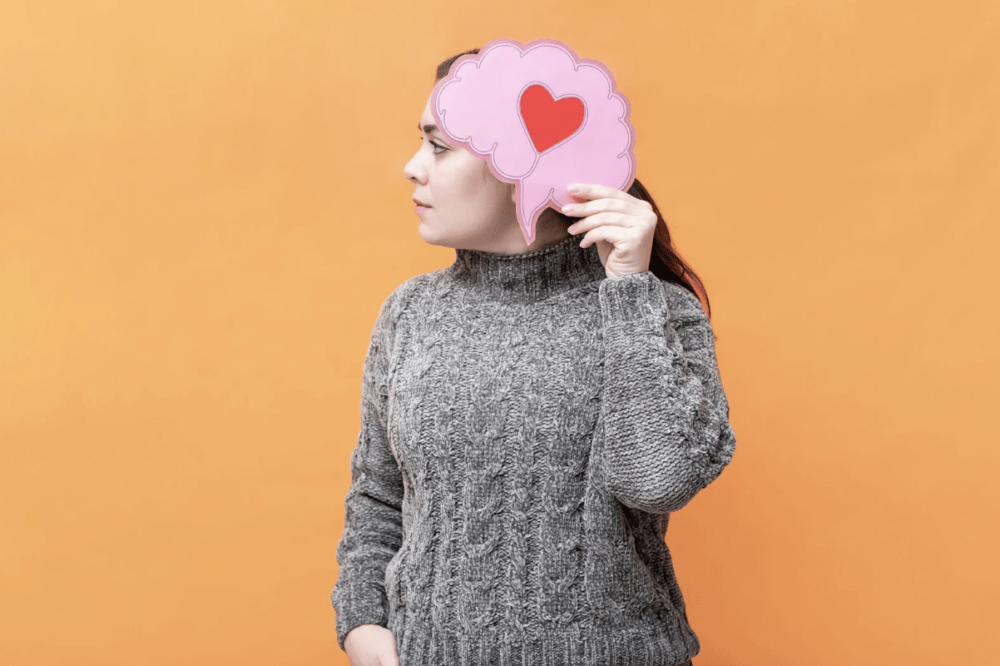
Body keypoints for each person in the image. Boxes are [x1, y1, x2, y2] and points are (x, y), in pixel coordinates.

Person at [330, 48, 736, 666]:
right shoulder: (410, 314)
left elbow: (657, 481)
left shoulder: (651, 311)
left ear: (522, 166)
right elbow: (379, 498)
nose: (413, 167)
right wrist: (364, 631)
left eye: (439, 147)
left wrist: (626, 289)